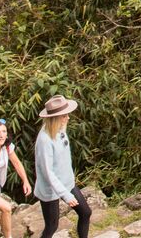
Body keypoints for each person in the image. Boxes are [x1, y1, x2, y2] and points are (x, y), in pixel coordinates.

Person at [32, 96, 90, 238]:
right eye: (64, 116)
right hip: (50, 188)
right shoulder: (44, 140)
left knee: (85, 213)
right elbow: (47, 172)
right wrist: (65, 194)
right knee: (52, 226)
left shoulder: (61, 128)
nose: (68, 118)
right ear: (55, 118)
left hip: (67, 182)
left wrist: (68, 186)